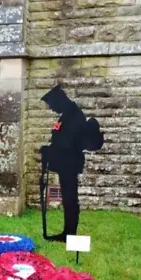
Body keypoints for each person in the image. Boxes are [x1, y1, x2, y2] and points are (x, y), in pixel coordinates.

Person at [40, 85, 87, 243]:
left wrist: (50, 151)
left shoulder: (74, 115)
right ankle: (67, 231)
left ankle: (70, 233)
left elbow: (67, 143)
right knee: (68, 198)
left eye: (52, 105)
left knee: (70, 198)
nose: (52, 108)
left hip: (70, 163)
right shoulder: (67, 114)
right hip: (65, 163)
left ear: (59, 100)